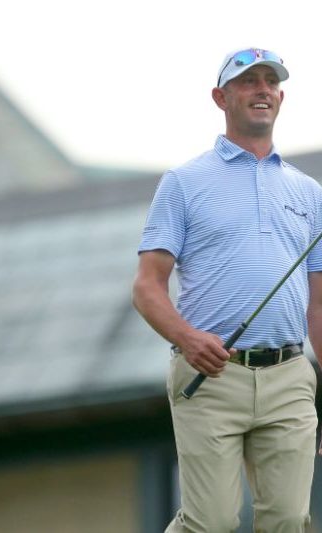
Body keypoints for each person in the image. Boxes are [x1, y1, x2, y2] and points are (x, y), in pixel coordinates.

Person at [133, 48, 322, 532]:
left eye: (270, 81)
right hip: (212, 375)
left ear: (280, 97)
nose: (262, 89)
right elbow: (148, 288)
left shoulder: (310, 192)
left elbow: (318, 304)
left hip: (289, 377)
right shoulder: (184, 182)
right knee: (210, 522)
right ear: (221, 97)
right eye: (248, 81)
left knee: (288, 521)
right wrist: (189, 339)